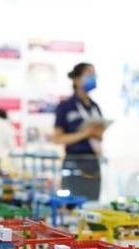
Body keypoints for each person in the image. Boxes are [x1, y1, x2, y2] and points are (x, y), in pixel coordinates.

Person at [53, 63, 105, 200]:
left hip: (93, 162)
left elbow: (100, 136)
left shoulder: (95, 107)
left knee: (93, 202)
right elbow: (58, 138)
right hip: (74, 162)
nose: (93, 77)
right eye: (89, 74)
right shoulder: (66, 106)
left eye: (94, 74)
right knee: (72, 203)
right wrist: (85, 133)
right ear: (76, 79)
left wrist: (97, 133)